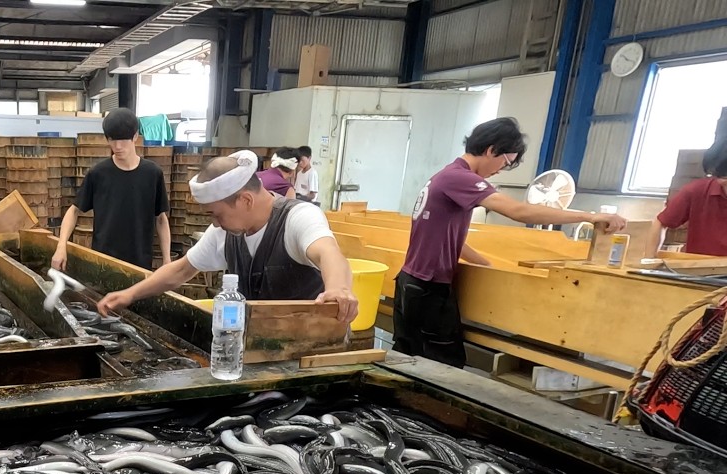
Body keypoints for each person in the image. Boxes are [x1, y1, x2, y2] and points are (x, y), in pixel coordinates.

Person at [394, 117, 627, 368]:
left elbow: (448, 241)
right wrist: (590, 217)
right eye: (504, 163)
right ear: (491, 149)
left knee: (409, 358)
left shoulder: (446, 176)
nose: (499, 171)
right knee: (443, 366)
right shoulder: (461, 178)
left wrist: (488, 265)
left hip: (413, 284)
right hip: (428, 290)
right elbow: (519, 212)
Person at [97, 150, 359, 323]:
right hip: (261, 351)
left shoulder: (298, 217)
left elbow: (329, 253)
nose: (215, 223)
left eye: (216, 214)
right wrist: (129, 295)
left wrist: (338, 289)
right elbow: (182, 270)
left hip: (311, 352)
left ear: (245, 200)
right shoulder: (226, 232)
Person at [52, 108, 172, 271]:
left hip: (140, 264)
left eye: (123, 140)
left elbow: (161, 219)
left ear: (135, 136)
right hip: (103, 262)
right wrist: (61, 246)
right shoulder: (98, 173)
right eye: (112, 140)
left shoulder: (152, 174)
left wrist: (167, 260)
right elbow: (73, 211)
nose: (117, 146)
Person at [640, 143, 727, 257]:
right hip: (699, 270)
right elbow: (661, 223)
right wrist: (649, 261)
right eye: (720, 176)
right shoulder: (696, 191)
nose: (722, 181)